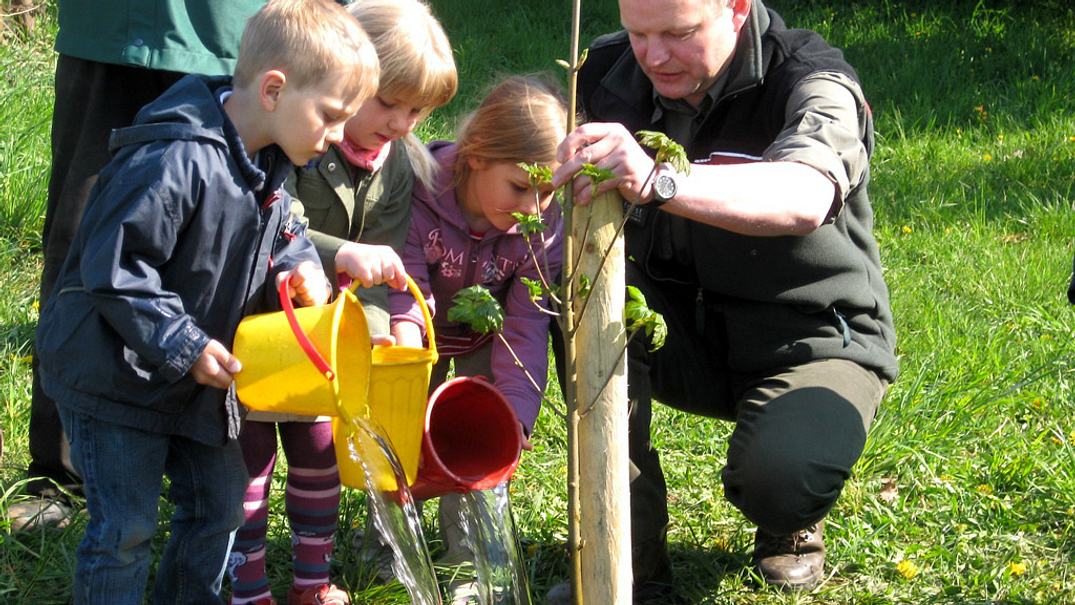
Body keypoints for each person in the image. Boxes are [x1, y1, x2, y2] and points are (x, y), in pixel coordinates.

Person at [548, 0, 898, 598]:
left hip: (810, 338)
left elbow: (806, 194)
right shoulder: (605, 71)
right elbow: (519, 142)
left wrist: (659, 179)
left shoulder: (810, 77)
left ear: (736, 9)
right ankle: (629, 554)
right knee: (573, 300)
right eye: (638, 33)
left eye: (678, 33)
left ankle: (787, 518)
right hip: (676, 331)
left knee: (779, 479)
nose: (653, 56)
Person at [33, 2, 378, 603]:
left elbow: (285, 230)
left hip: (195, 383)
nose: (337, 136)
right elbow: (115, 268)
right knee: (126, 529)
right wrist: (184, 344)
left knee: (220, 507)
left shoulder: (271, 158)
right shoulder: (174, 157)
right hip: (116, 378)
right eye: (330, 116)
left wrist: (297, 267)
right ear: (274, 89)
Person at [227, 1, 457, 604]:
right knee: (249, 462)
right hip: (260, 331)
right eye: (389, 103)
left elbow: (383, 262)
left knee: (320, 459)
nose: (402, 123)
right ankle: (246, 585)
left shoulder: (397, 166)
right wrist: (343, 254)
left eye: (417, 111)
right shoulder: (297, 138)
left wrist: (376, 328)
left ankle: (312, 583)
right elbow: (276, 223)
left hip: (327, 346)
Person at [10, 0, 267, 531]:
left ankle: (194, 474)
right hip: (111, 32)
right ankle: (62, 474)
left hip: (235, 37)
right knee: (82, 245)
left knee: (218, 259)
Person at [389, 74, 566, 603]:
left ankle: (469, 562)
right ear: (476, 155)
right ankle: (385, 546)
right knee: (399, 432)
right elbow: (405, 287)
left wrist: (514, 410)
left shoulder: (542, 230)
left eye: (547, 192)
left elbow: (526, 325)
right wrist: (407, 364)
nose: (534, 207)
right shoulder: (417, 191)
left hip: (482, 340)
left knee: (477, 442)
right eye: (520, 187)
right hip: (412, 335)